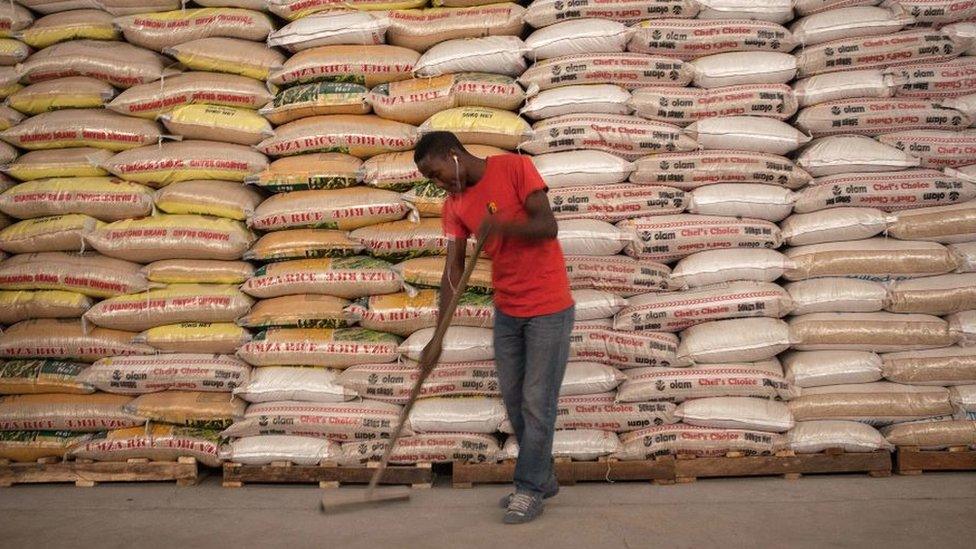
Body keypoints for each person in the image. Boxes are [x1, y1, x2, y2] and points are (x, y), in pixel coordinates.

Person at [414, 131, 575, 524]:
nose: (439, 184)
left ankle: (529, 488)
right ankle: (542, 475)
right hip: (508, 309)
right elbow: (453, 271)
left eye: (437, 173)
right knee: (517, 401)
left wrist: (500, 227)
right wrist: (437, 337)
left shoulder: (515, 168)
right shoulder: (454, 205)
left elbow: (547, 225)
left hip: (548, 306)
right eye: (431, 181)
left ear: (453, 155)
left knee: (538, 402)